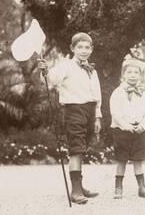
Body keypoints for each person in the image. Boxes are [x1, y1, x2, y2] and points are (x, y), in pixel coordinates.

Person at [37, 32, 102, 204]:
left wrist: (97, 117)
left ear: (92, 49)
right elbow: (52, 79)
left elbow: (97, 95)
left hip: (89, 110)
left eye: (87, 47)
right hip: (74, 110)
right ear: (72, 48)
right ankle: (75, 191)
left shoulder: (92, 69)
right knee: (76, 149)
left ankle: (80, 186)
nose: (84, 50)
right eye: (80, 47)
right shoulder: (65, 66)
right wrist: (45, 70)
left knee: (83, 147)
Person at [109, 59, 145, 199]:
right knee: (121, 159)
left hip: (139, 130)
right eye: (129, 72)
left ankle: (142, 188)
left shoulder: (144, 94)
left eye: (136, 72)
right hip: (122, 130)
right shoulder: (117, 93)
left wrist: (143, 124)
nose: (133, 75)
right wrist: (126, 126)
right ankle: (118, 188)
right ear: (124, 75)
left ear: (140, 76)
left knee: (138, 159)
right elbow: (115, 112)